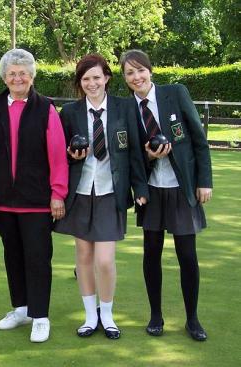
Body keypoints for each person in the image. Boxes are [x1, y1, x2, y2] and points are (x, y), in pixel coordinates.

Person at [119, 49, 213, 341]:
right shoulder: (126, 108)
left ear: (151, 70)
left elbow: (199, 139)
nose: (137, 77)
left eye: (140, 70)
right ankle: (156, 316)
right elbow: (131, 156)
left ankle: (192, 319)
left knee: (187, 255)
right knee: (151, 254)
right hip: (152, 192)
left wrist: (204, 182)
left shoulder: (176, 93)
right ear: (124, 78)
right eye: (130, 73)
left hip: (182, 187)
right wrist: (148, 159)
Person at [0, 48, 68, 343]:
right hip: (4, 201)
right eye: (12, 73)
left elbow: (57, 156)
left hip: (38, 202)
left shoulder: (46, 109)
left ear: (32, 76)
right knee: (13, 256)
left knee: (38, 259)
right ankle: (21, 309)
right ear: (4, 77)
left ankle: (40, 317)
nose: (18, 78)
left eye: (23, 72)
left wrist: (58, 194)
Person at [54, 54, 148, 340]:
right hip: (81, 192)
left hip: (111, 191)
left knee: (105, 260)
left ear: (107, 77)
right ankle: (89, 315)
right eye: (85, 79)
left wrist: (140, 188)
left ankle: (107, 315)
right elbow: (60, 156)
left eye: (96, 77)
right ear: (79, 83)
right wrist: (71, 156)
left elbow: (135, 152)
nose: (91, 83)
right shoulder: (69, 112)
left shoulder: (125, 108)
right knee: (83, 256)